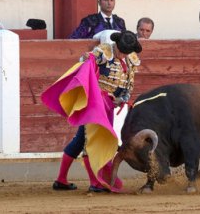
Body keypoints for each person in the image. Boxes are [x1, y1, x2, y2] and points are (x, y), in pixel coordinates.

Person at [48, 30, 142, 192]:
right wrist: (86, 59)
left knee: (81, 140)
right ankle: (95, 183)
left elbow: (129, 83)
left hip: (110, 105)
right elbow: (87, 62)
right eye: (121, 50)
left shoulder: (131, 59)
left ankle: (61, 180)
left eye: (126, 52)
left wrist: (123, 99)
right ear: (116, 44)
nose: (123, 54)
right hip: (95, 102)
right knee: (92, 140)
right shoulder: (103, 51)